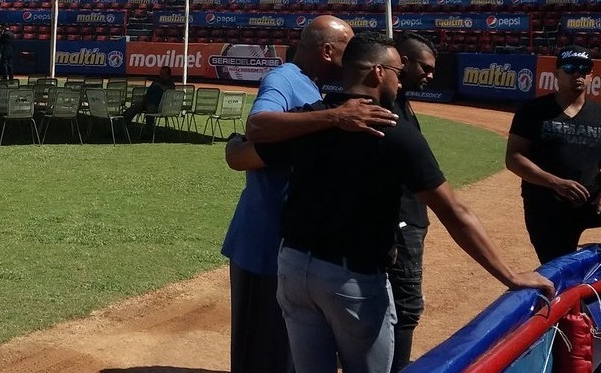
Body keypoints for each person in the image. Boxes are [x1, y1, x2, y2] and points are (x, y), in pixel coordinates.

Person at [228, 33, 553, 373]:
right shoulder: (392, 131)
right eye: (398, 71)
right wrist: (510, 275)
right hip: (351, 278)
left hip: (293, 269)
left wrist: (232, 147)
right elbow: (453, 211)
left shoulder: (311, 117)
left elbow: (246, 154)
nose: (401, 82)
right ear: (378, 73)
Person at [223, 16, 396, 373]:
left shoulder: (314, 86)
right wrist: (334, 117)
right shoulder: (284, 78)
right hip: (263, 243)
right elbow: (258, 125)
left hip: (293, 244)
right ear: (327, 50)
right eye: (349, 48)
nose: (355, 56)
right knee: (262, 353)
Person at [506, 46, 601, 264]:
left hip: (590, 202)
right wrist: (556, 183)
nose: (577, 74)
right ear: (557, 73)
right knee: (558, 268)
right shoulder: (533, 110)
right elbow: (514, 157)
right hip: (547, 206)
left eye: (584, 69)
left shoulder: (599, 114)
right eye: (570, 68)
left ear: (591, 76)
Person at [388, 33, 439, 373]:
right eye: (425, 67)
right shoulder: (389, 107)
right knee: (406, 306)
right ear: (402, 62)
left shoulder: (401, 101)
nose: (430, 75)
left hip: (408, 220)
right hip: (399, 223)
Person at [121, 66, 175, 139]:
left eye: (163, 74)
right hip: (148, 102)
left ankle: (149, 132)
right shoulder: (157, 81)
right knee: (134, 108)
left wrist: (159, 86)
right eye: (161, 73)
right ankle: (122, 125)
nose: (161, 75)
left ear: (168, 75)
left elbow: (167, 90)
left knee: (150, 110)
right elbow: (148, 93)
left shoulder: (170, 83)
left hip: (160, 106)